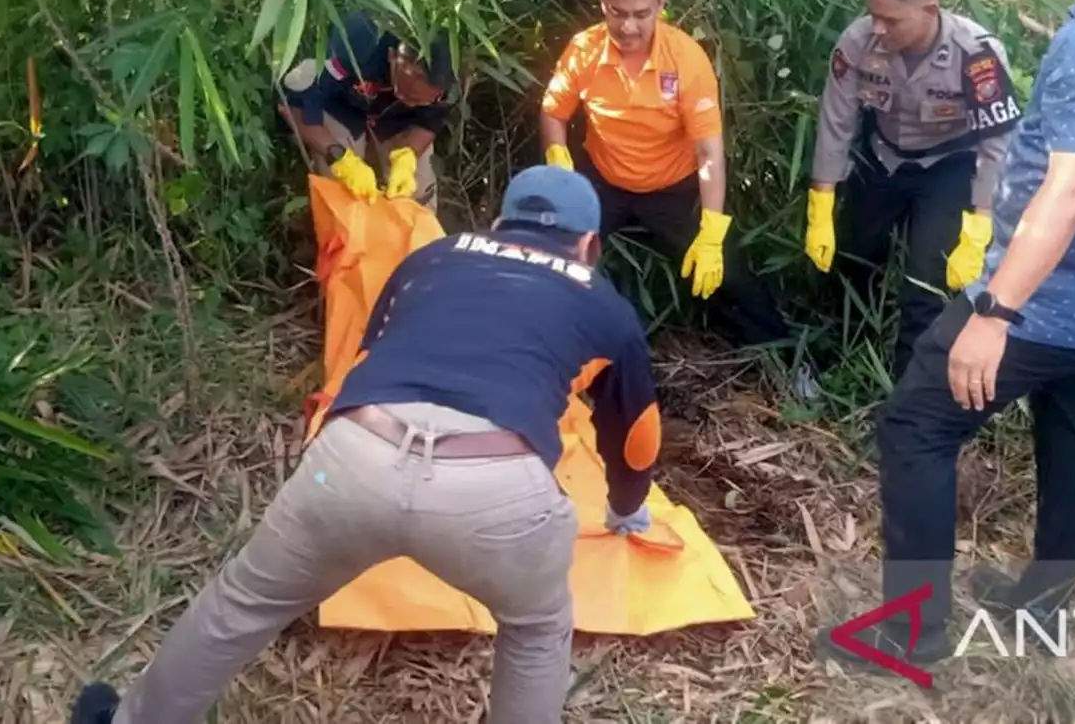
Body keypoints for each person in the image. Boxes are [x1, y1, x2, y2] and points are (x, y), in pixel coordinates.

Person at [70, 166, 662, 724]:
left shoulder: (432, 257)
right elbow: (635, 439)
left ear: (499, 224)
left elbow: (370, 349)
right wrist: (625, 508)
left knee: (243, 600)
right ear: (589, 245)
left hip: (353, 463)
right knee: (535, 630)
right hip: (493, 492)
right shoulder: (602, 302)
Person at [818, 0, 1075, 669]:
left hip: (1057, 304)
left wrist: (996, 312)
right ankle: (1041, 614)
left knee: (916, 426)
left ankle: (913, 633)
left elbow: (1074, 187)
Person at [540, 0, 817, 396]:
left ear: (661, 5)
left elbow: (709, 150)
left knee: (731, 270)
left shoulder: (686, 58)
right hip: (602, 179)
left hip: (671, 184)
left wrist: (710, 231)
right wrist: (558, 158)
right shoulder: (584, 49)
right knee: (551, 255)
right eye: (617, 13)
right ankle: (556, 362)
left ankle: (787, 362)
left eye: (641, 14)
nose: (628, 26)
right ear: (603, 3)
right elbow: (553, 111)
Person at [805, 0, 1021, 383]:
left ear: (929, 8)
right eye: (874, 15)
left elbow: (996, 145)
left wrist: (981, 224)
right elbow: (836, 120)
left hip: (947, 166)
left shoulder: (976, 54)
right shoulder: (857, 40)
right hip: (882, 157)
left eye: (891, 19)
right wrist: (821, 203)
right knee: (851, 261)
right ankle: (835, 363)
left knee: (926, 283)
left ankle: (910, 389)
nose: (878, 28)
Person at [277, 10, 456, 211]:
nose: (412, 103)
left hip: (396, 120)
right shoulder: (358, 44)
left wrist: (408, 155)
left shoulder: (449, 74)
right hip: (341, 107)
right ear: (392, 56)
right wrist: (340, 158)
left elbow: (429, 121)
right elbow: (294, 104)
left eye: (421, 101)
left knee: (417, 192)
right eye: (406, 94)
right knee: (346, 192)